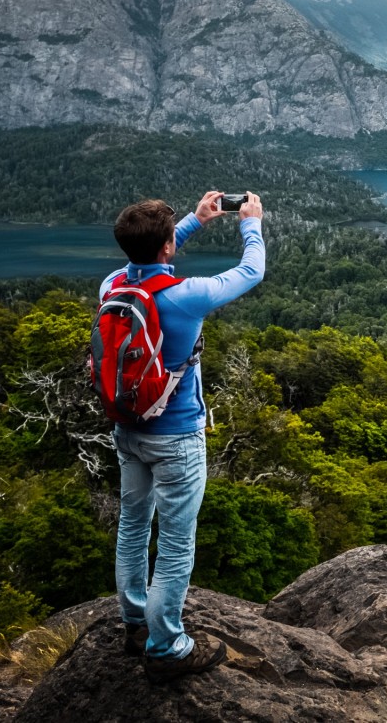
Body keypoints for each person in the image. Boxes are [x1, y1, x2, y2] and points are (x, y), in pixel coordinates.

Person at [100, 190, 265, 682]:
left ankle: (134, 624)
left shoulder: (112, 285)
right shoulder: (186, 296)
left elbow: (146, 258)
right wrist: (249, 223)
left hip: (127, 429)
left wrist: (193, 221)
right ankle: (167, 645)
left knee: (133, 525)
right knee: (175, 543)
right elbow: (250, 271)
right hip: (176, 437)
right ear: (169, 248)